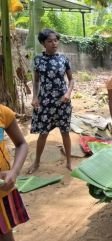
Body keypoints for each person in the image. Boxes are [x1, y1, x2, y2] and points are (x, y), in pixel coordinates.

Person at [29, 29, 74, 174]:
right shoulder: (38, 60)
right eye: (50, 41)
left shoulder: (63, 59)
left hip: (63, 101)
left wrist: (68, 93)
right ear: (43, 43)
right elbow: (36, 81)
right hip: (45, 102)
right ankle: (36, 162)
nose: (54, 43)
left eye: (56, 40)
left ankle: (68, 161)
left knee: (65, 132)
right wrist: (35, 97)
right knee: (43, 133)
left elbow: (71, 79)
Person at [0, 104, 29, 241]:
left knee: (5, 233)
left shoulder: (3, 113)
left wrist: (14, 171)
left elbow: (21, 144)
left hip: (2, 191)